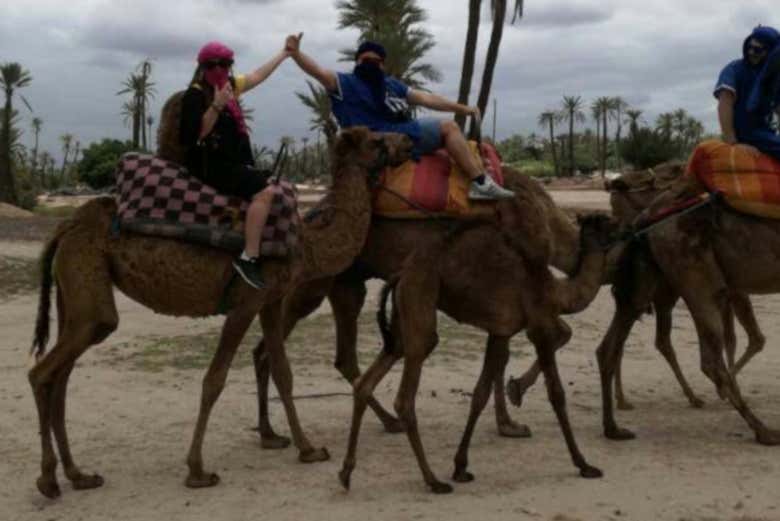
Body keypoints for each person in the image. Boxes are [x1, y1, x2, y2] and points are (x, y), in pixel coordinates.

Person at [285, 34, 514, 200]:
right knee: (449, 128)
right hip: (376, 141)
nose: (371, 64)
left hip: (403, 131)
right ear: (357, 62)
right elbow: (317, 71)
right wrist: (296, 54)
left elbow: (426, 99)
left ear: (382, 64)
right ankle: (480, 183)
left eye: (375, 61)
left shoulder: (391, 85)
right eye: (366, 60)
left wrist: (461, 108)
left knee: (448, 130)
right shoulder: (344, 83)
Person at [180, 41, 289, 289]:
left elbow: (257, 75)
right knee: (265, 192)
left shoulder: (229, 87)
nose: (219, 69)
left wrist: (284, 54)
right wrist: (217, 105)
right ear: (202, 67)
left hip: (232, 162)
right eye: (212, 65)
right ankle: (248, 257)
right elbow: (194, 136)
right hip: (209, 164)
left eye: (225, 64)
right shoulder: (195, 94)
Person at [715, 25, 780, 159]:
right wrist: (732, 143)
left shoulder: (773, 78)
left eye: (757, 50)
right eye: (750, 47)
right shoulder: (734, 69)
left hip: (766, 132)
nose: (751, 52)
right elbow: (725, 103)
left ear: (770, 52)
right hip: (745, 134)